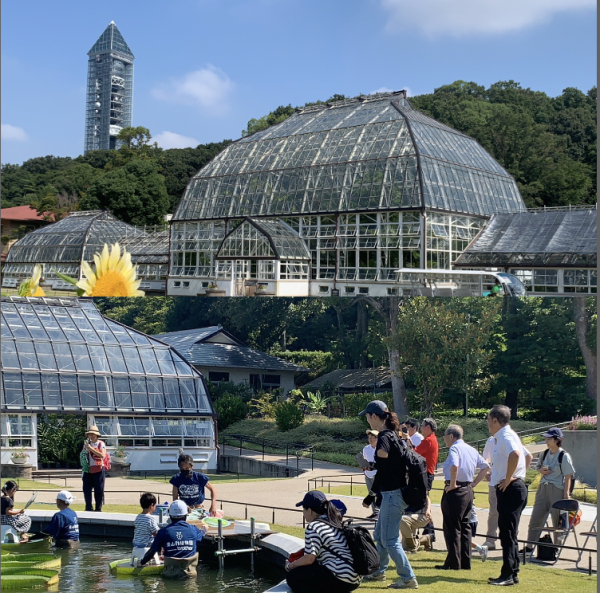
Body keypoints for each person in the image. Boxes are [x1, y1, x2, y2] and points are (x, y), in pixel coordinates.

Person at [359, 400, 418, 590]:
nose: (367, 420)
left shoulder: (384, 436)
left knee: (390, 539)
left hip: (393, 494)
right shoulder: (393, 435)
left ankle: (408, 578)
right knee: (379, 535)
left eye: (368, 417)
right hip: (394, 493)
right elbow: (388, 466)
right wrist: (376, 466)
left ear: (374, 416)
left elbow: (385, 465)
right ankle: (378, 572)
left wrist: (371, 494)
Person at [486, 405, 533, 587]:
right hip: (513, 487)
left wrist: (509, 479)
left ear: (496, 420)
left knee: (507, 533)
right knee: (509, 533)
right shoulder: (506, 435)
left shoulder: (505, 436)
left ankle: (508, 574)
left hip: (510, 489)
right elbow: (526, 457)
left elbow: (516, 454)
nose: (488, 423)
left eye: (489, 420)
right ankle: (511, 572)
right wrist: (516, 475)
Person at [436, 424, 489, 571]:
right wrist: (474, 484)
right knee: (465, 527)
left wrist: (452, 484)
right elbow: (485, 466)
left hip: (455, 490)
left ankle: (454, 563)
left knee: (451, 528)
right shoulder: (471, 449)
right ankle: (465, 562)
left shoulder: (454, 448)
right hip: (467, 490)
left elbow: (454, 465)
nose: (444, 440)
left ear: (451, 436)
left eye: (445, 437)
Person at [286, 491, 361, 593]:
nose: (303, 513)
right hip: (354, 578)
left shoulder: (314, 526)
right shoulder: (334, 521)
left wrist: (290, 565)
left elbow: (309, 558)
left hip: (339, 577)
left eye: (303, 509)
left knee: (293, 577)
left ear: (310, 511)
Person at [526, 427, 575, 552]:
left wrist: (566, 494)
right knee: (536, 517)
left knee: (557, 521)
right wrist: (541, 471)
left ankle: (557, 548)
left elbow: (568, 475)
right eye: (546, 438)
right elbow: (537, 467)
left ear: (557, 440)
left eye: (549, 438)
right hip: (543, 487)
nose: (547, 441)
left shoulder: (563, 455)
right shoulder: (544, 453)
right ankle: (530, 545)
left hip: (557, 489)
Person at [139, 499, 206, 578]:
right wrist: (204, 529)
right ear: (186, 514)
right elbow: (201, 537)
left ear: (170, 515)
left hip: (170, 574)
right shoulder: (194, 529)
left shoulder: (163, 532)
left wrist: (142, 562)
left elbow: (152, 551)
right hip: (189, 574)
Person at [415, 417, 439, 545]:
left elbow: (414, 453)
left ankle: (430, 531)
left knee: (424, 502)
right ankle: (429, 531)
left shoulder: (428, 440)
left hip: (425, 474)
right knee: (424, 501)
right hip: (428, 474)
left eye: (422, 426)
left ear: (428, 427)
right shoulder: (432, 439)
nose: (421, 428)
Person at [81, 425, 106, 512]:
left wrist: (91, 449)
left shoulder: (101, 444)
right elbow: (83, 455)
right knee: (86, 490)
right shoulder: (87, 444)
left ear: (96, 435)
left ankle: (98, 509)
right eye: (89, 435)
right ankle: (88, 508)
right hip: (88, 470)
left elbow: (102, 455)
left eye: (93, 434)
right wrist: (85, 449)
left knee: (98, 490)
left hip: (98, 469)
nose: (91, 436)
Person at [131, 492, 160, 566]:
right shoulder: (151, 518)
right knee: (158, 540)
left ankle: (143, 558)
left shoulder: (138, 517)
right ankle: (147, 559)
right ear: (152, 506)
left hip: (136, 543)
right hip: (146, 545)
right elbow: (156, 533)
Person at [361, 430, 380, 520]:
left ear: (377, 439)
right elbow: (364, 461)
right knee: (370, 494)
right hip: (368, 475)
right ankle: (375, 513)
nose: (370, 440)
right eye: (369, 438)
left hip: (377, 476)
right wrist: (363, 467)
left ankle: (379, 513)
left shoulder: (380, 449)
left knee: (378, 495)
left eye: (372, 438)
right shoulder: (366, 449)